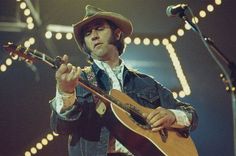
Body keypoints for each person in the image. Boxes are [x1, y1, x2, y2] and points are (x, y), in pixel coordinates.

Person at [49, 5, 198, 156]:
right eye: (87, 33)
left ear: (118, 33)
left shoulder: (146, 82)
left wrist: (172, 116)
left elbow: (191, 115)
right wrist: (66, 92)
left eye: (99, 28)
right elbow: (60, 127)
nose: (93, 35)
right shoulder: (79, 80)